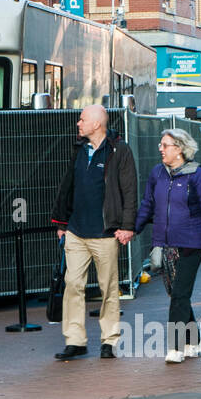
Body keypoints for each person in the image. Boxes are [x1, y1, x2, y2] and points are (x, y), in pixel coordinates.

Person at [50, 104, 138, 360]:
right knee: (72, 285)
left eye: (82, 120)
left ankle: (109, 340)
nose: (78, 124)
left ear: (97, 124)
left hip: (105, 233)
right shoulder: (79, 149)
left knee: (108, 288)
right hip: (76, 232)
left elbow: (130, 190)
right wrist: (61, 222)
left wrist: (127, 226)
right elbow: (68, 185)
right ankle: (75, 340)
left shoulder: (119, 150)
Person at [133, 128, 201, 363]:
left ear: (180, 149)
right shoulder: (157, 174)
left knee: (180, 295)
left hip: (191, 244)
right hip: (165, 244)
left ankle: (176, 347)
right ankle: (195, 341)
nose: (160, 149)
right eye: (161, 145)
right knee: (177, 294)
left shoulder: (198, 176)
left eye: (165, 145)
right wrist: (133, 229)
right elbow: (147, 204)